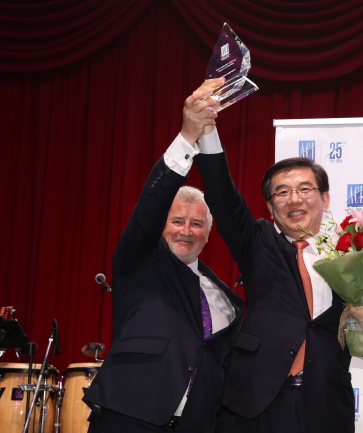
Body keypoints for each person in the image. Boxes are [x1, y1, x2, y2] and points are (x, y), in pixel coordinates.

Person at [174, 78, 363, 433]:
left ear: (324, 199)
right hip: (254, 402)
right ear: (270, 205)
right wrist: (207, 131)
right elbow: (221, 194)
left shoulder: (355, 251)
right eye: (282, 192)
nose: (294, 199)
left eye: (305, 189)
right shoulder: (257, 240)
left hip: (324, 403)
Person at [83, 86, 244, 433]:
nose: (186, 230)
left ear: (208, 233)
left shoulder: (228, 298)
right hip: (129, 420)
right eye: (177, 221)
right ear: (161, 226)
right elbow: (150, 206)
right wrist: (188, 137)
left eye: (197, 223)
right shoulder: (138, 262)